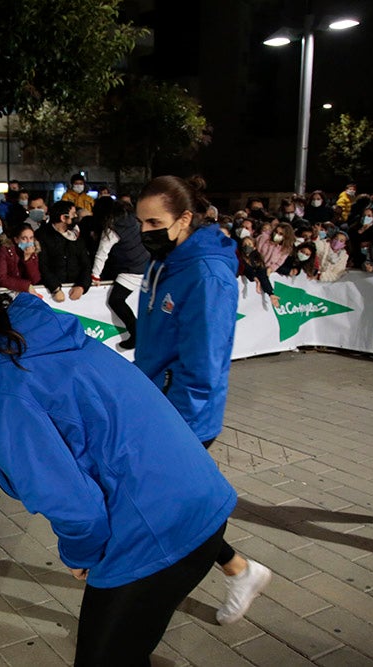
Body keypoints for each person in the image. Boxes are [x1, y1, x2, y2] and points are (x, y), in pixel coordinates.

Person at [0, 278, 238, 665]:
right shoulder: (35, 337)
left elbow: (70, 502)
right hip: (200, 500)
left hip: (155, 529)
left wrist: (81, 552)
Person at [134, 175, 271, 627]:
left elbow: (204, 364)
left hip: (183, 414)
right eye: (140, 222)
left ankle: (234, 572)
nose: (145, 231)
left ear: (185, 219)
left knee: (169, 504)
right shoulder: (165, 262)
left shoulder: (207, 273)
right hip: (154, 402)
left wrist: (178, 423)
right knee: (175, 503)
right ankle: (239, 570)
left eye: (154, 221)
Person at [90, 197, 149, 351]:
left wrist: (95, 276)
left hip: (132, 269)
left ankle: (135, 333)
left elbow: (102, 254)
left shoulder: (112, 228)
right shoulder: (132, 219)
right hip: (145, 264)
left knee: (116, 300)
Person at [36, 200, 92, 303]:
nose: (76, 216)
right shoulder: (42, 235)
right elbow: (42, 265)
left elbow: (86, 264)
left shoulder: (77, 235)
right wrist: (55, 288)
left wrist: (82, 286)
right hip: (51, 293)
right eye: (73, 214)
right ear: (63, 218)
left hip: (75, 292)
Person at [0, 222, 40, 294]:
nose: (28, 242)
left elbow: (35, 279)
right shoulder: (5, 250)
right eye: (24, 238)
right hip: (6, 293)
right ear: (16, 240)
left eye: (31, 238)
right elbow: (0, 278)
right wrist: (25, 286)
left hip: (25, 295)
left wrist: (28, 259)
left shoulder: (33, 251)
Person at [237, 236, 280, 308]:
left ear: (254, 247)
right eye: (244, 244)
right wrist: (254, 278)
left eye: (249, 244)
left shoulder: (257, 259)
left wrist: (270, 293)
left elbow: (263, 275)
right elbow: (245, 269)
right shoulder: (238, 257)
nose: (247, 246)